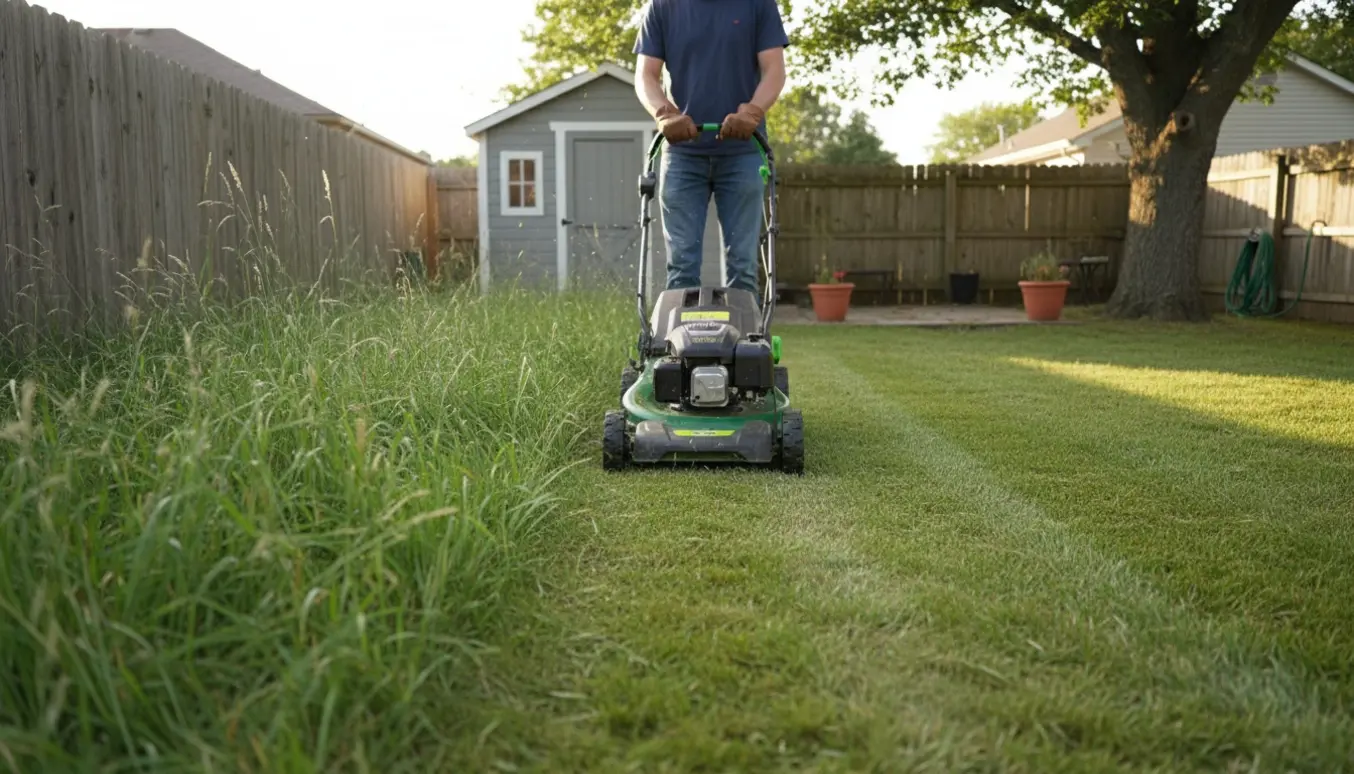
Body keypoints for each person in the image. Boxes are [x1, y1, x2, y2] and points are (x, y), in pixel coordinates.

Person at [632, 0, 788, 300]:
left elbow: (774, 70)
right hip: (682, 154)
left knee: (742, 266)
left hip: (743, 151)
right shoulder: (663, 7)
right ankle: (681, 345)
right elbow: (646, 76)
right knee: (681, 266)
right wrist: (664, 113)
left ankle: (744, 342)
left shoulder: (758, 5)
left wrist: (753, 112)